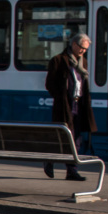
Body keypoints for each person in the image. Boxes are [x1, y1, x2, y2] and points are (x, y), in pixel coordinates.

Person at [44, 32, 95, 181]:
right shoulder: (58, 61)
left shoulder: (82, 62)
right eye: (81, 48)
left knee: (76, 138)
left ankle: (71, 171)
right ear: (73, 44)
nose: (83, 51)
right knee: (64, 137)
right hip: (65, 105)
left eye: (85, 49)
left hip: (79, 104)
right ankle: (50, 160)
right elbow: (50, 84)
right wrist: (61, 98)